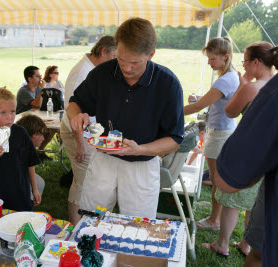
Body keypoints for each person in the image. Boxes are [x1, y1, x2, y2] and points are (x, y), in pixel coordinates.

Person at [67, 18, 185, 218]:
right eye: (121, 60)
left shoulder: (168, 84)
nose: (127, 69)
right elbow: (74, 102)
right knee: (91, 219)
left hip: (142, 165)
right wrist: (76, 116)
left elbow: (174, 139)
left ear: (151, 55)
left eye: (135, 63)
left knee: (137, 226)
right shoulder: (102, 73)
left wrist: (140, 149)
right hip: (103, 159)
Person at [203, 42, 276, 261]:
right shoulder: (273, 84)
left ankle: (222, 243)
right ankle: (246, 243)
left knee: (231, 199)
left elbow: (230, 111)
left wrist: (242, 86)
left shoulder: (252, 87)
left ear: (255, 62)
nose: (242, 64)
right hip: (268, 154)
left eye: (245, 60)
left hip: (249, 151)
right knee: (254, 201)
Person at [60, 36, 117, 225]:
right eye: (114, 56)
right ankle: (75, 224)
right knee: (82, 180)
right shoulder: (82, 72)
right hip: (78, 134)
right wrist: (80, 144)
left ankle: (87, 218)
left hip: (89, 133)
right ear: (103, 51)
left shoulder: (93, 69)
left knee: (89, 178)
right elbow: (72, 112)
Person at [184, 37, 239, 230]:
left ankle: (214, 220)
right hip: (222, 131)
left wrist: (171, 111)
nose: (209, 62)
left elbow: (199, 106)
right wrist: (199, 98)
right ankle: (216, 212)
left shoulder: (225, 79)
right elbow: (214, 99)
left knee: (216, 179)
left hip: (219, 134)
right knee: (217, 178)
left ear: (225, 56)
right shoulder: (230, 75)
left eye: (212, 59)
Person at [17, 66, 53, 161]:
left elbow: (44, 104)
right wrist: (42, 89)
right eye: (37, 76)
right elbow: (37, 104)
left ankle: (40, 151)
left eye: (40, 76)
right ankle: (34, 153)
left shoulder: (37, 89)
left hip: (34, 118)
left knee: (53, 128)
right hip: (23, 122)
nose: (40, 79)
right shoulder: (23, 91)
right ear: (29, 79)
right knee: (49, 129)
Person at [15, 114, 47, 199]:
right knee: (29, 186)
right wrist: (34, 189)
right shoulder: (19, 146)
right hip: (8, 179)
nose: (43, 139)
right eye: (41, 135)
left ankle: (29, 204)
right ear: (33, 135)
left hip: (19, 174)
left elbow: (30, 166)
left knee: (39, 182)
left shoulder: (25, 144)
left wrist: (35, 189)